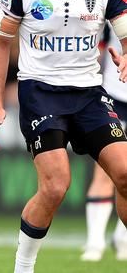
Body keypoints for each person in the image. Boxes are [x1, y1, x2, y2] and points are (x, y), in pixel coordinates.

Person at [0, 0, 127, 272]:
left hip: (89, 94)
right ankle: (23, 266)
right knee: (55, 185)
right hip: (40, 94)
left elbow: (126, 32)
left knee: (125, 174)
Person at [81, 26, 127, 261]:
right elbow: (96, 51)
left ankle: (122, 237)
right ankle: (94, 243)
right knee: (106, 173)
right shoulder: (115, 7)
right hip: (114, 98)